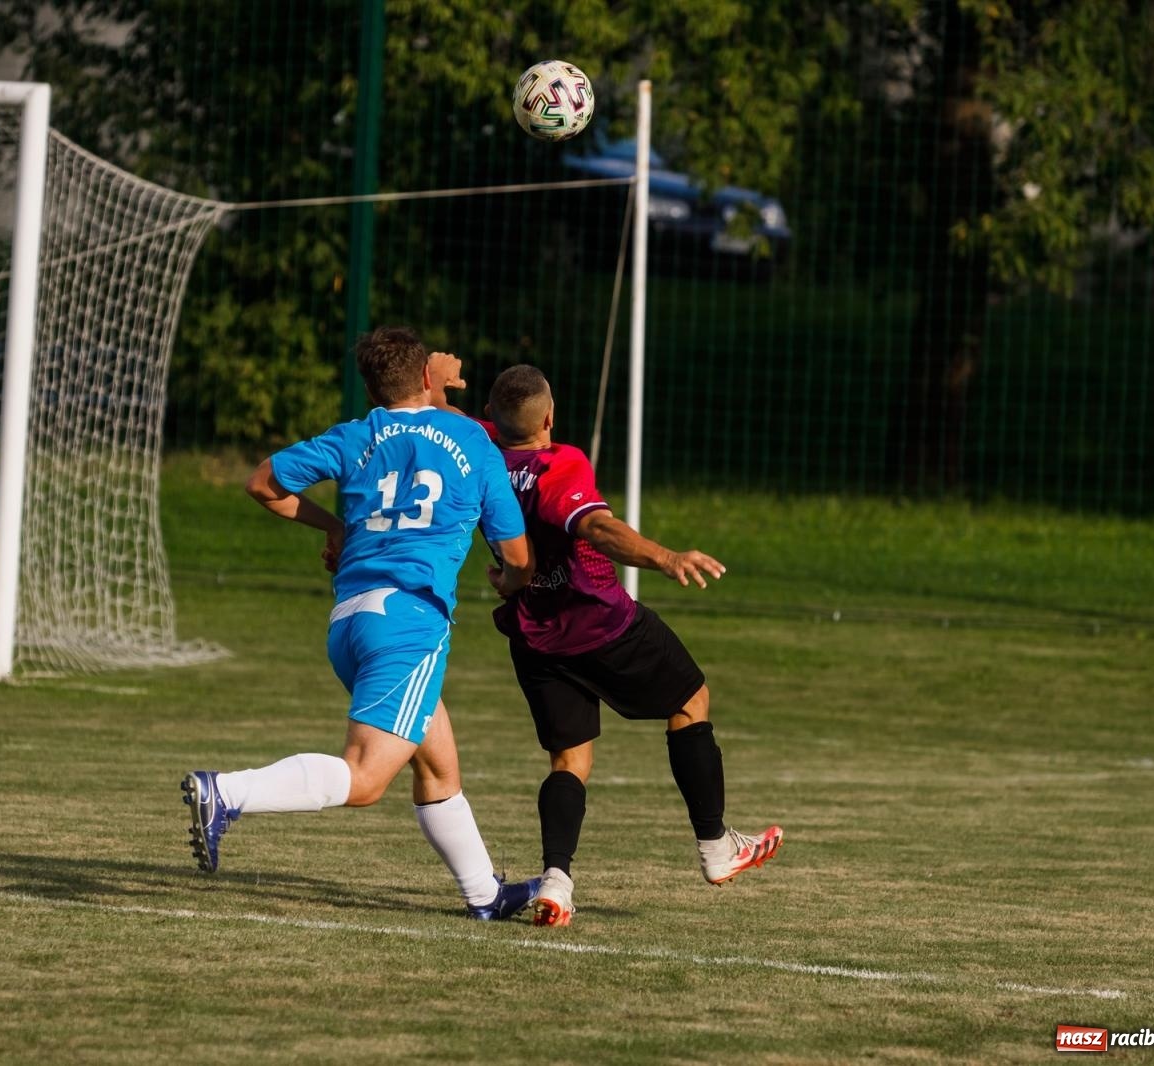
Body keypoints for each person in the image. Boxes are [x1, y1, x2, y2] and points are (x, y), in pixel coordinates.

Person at [182, 327, 541, 920]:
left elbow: (263, 483)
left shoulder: (357, 435)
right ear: (426, 377)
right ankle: (226, 793)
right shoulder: (473, 441)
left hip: (350, 621)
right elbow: (519, 554)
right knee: (367, 779)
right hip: (408, 621)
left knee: (436, 761)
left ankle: (485, 894)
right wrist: (512, 582)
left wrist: (335, 526)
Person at [477, 363, 783, 928]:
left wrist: (431, 385)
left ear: (492, 420)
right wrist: (666, 557)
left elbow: (437, 419)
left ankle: (557, 881)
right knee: (691, 698)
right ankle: (716, 846)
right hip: (603, 626)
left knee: (569, 761)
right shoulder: (557, 462)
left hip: (534, 636)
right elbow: (596, 527)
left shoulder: (481, 452)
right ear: (549, 417)